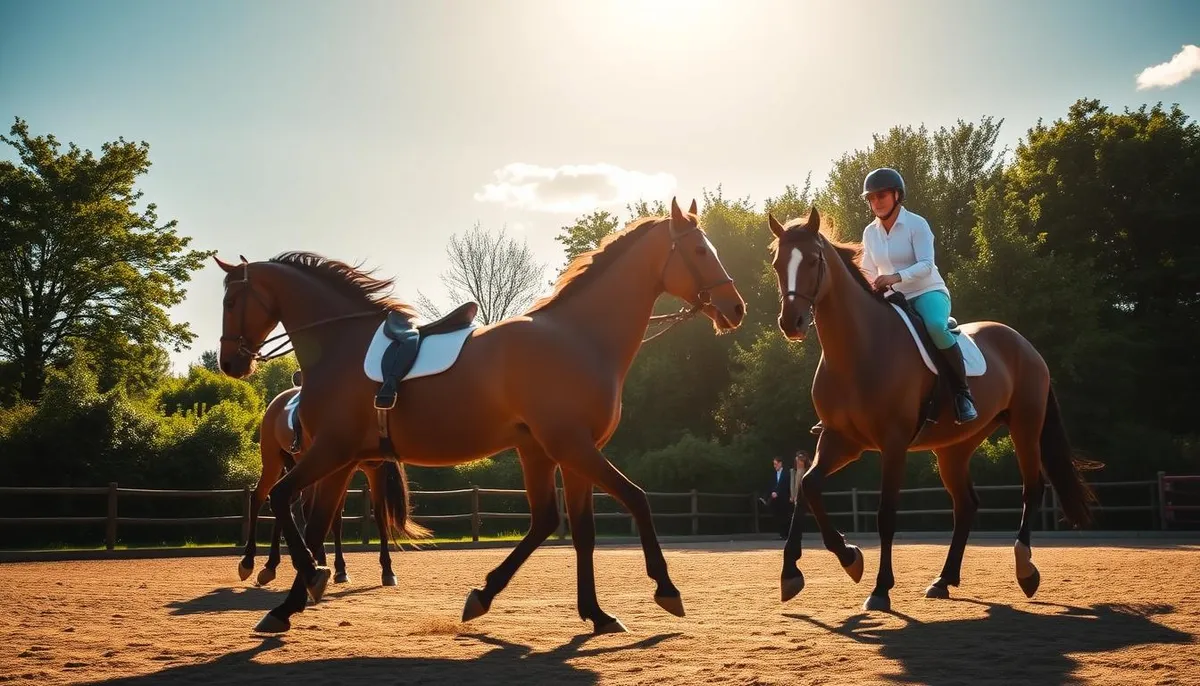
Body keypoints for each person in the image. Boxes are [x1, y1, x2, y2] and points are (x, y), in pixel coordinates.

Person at [810, 167, 978, 435]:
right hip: (891, 298)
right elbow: (867, 269)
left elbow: (926, 264)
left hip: (926, 292)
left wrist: (895, 277)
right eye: (871, 198)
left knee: (935, 326)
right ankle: (838, 406)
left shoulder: (917, 224)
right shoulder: (870, 232)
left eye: (882, 195)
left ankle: (962, 394)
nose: (876, 202)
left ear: (897, 195)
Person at [768, 457, 792, 539]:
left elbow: (787, 486)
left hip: (784, 498)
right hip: (776, 499)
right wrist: (773, 492)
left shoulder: (787, 473)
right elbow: (771, 484)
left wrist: (779, 493)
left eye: (776, 464)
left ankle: (787, 534)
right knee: (778, 516)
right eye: (774, 464)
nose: (775, 466)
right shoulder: (773, 474)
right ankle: (781, 534)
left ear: (780, 463)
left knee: (786, 516)